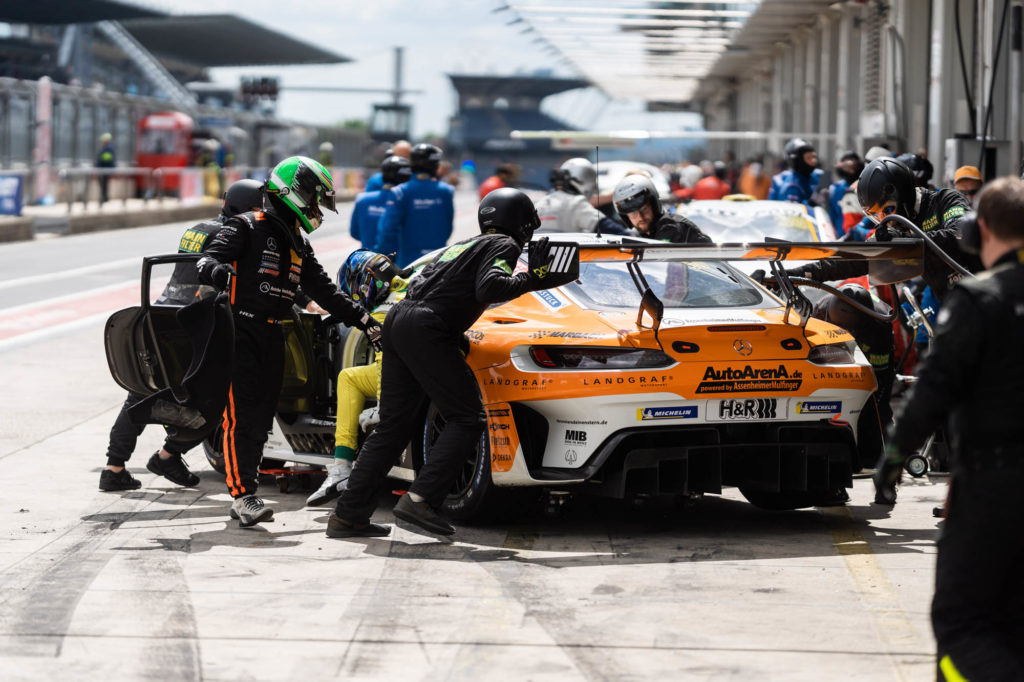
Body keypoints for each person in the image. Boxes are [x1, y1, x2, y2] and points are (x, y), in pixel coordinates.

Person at [327, 188, 578, 538]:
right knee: (467, 417)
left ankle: (347, 516)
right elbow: (490, 289)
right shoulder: (503, 245)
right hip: (426, 327)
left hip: (399, 320)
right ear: (523, 224)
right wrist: (535, 277)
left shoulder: (465, 245)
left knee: (392, 428)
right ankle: (420, 499)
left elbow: (441, 288)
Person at [874, 176, 1024, 679]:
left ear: (980, 232)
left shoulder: (981, 300)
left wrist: (891, 463)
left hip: (992, 491)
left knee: (964, 626)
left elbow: (931, 395)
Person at [196, 157, 381, 528]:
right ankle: (243, 495)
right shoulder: (246, 225)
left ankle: (245, 491)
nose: (316, 209)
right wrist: (217, 271)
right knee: (241, 417)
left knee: (262, 419)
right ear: (293, 190)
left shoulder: (298, 241)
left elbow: (326, 292)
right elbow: (206, 260)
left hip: (274, 333)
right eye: (313, 199)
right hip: (239, 332)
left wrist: (367, 322)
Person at [99, 179, 265, 492]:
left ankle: (114, 467)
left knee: (142, 394)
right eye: (258, 208)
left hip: (164, 313)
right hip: (195, 322)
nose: (261, 214)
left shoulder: (199, 227)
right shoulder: (233, 234)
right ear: (243, 207)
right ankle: (168, 455)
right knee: (211, 401)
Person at [785, 157, 981, 302]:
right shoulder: (893, 231)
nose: (885, 220)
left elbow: (959, 234)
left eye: (888, 210)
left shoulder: (946, 200)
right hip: (954, 304)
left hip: (988, 294)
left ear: (903, 196)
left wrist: (906, 240)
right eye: (876, 215)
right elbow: (855, 259)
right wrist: (796, 274)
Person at [306, 250, 409, 506]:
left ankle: (341, 466)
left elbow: (387, 354)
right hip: (426, 371)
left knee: (347, 378)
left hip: (405, 378)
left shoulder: (385, 307)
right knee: (350, 377)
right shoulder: (407, 286)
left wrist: (384, 405)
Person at [812, 283, 895, 425]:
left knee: (878, 411)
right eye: (842, 328)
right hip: (834, 335)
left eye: (849, 329)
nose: (846, 334)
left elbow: (880, 376)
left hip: (872, 339)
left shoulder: (881, 324)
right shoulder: (820, 312)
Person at [374, 143, 455, 267]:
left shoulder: (400, 192)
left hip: (408, 264)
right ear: (434, 165)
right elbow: (448, 228)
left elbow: (387, 231)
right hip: (438, 262)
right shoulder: (447, 191)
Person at [534, 158, 627, 234]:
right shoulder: (576, 203)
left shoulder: (540, 203)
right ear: (588, 182)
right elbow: (608, 227)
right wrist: (631, 235)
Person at [611, 174, 712, 243]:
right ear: (626, 218)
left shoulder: (670, 228)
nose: (640, 218)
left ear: (655, 206)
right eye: (633, 214)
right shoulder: (646, 234)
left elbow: (656, 265)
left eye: (644, 210)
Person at [350, 155, 410, 250]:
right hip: (396, 260)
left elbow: (354, 233)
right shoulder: (404, 201)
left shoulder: (362, 199)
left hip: (367, 259)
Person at [768, 138, 824, 208]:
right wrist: (811, 204)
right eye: (808, 158)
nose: (813, 161)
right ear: (797, 160)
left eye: (814, 157)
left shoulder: (822, 177)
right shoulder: (781, 181)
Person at [826, 151, 865, 235]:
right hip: (839, 237)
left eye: (854, 166)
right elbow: (831, 215)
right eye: (846, 166)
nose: (851, 170)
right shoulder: (835, 189)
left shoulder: (865, 186)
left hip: (861, 237)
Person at [96, 132, 116, 205]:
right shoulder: (108, 148)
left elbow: (105, 159)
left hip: (105, 169)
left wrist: (98, 165)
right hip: (105, 169)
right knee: (104, 184)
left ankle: (104, 198)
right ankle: (104, 197)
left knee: (104, 184)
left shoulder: (108, 149)